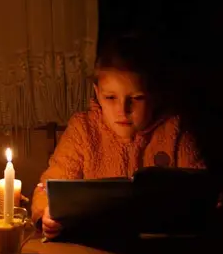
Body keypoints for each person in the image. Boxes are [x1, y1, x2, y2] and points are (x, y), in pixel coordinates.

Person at [31, 32, 206, 239]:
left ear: (155, 95)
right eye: (110, 97)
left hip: (164, 252)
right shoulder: (83, 129)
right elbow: (47, 188)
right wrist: (47, 214)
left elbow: (204, 191)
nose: (122, 110)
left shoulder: (174, 129)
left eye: (137, 98)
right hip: (94, 250)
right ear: (97, 92)